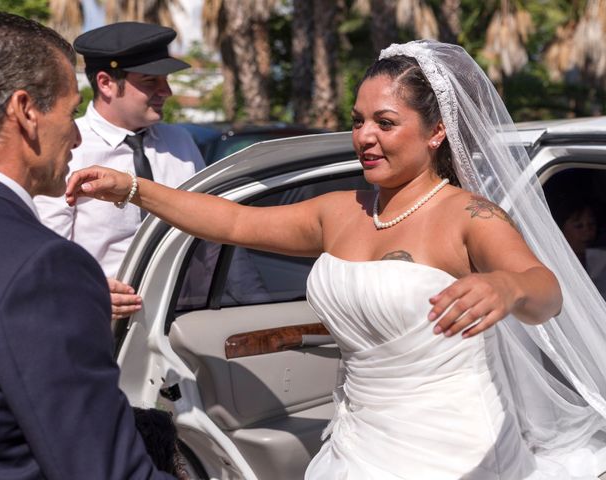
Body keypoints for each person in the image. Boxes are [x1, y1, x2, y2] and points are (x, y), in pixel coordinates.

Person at [65, 40, 606, 478]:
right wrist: (131, 187)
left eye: (385, 123)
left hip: (453, 446)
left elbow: (545, 289)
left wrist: (506, 288)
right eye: (358, 120)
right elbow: (231, 221)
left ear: (436, 131)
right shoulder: (339, 211)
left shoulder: (470, 215)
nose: (364, 137)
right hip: (357, 441)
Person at [0, 12, 176, 479]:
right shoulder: (44, 267)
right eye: (68, 111)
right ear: (25, 111)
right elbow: (102, 469)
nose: (77, 134)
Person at [34, 21, 206, 320]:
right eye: (150, 81)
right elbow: (47, 250)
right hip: (103, 324)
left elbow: (215, 234)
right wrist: (86, 291)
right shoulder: (69, 148)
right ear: (105, 83)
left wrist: (249, 298)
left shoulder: (180, 142)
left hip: (186, 316)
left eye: (165, 80)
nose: (166, 91)